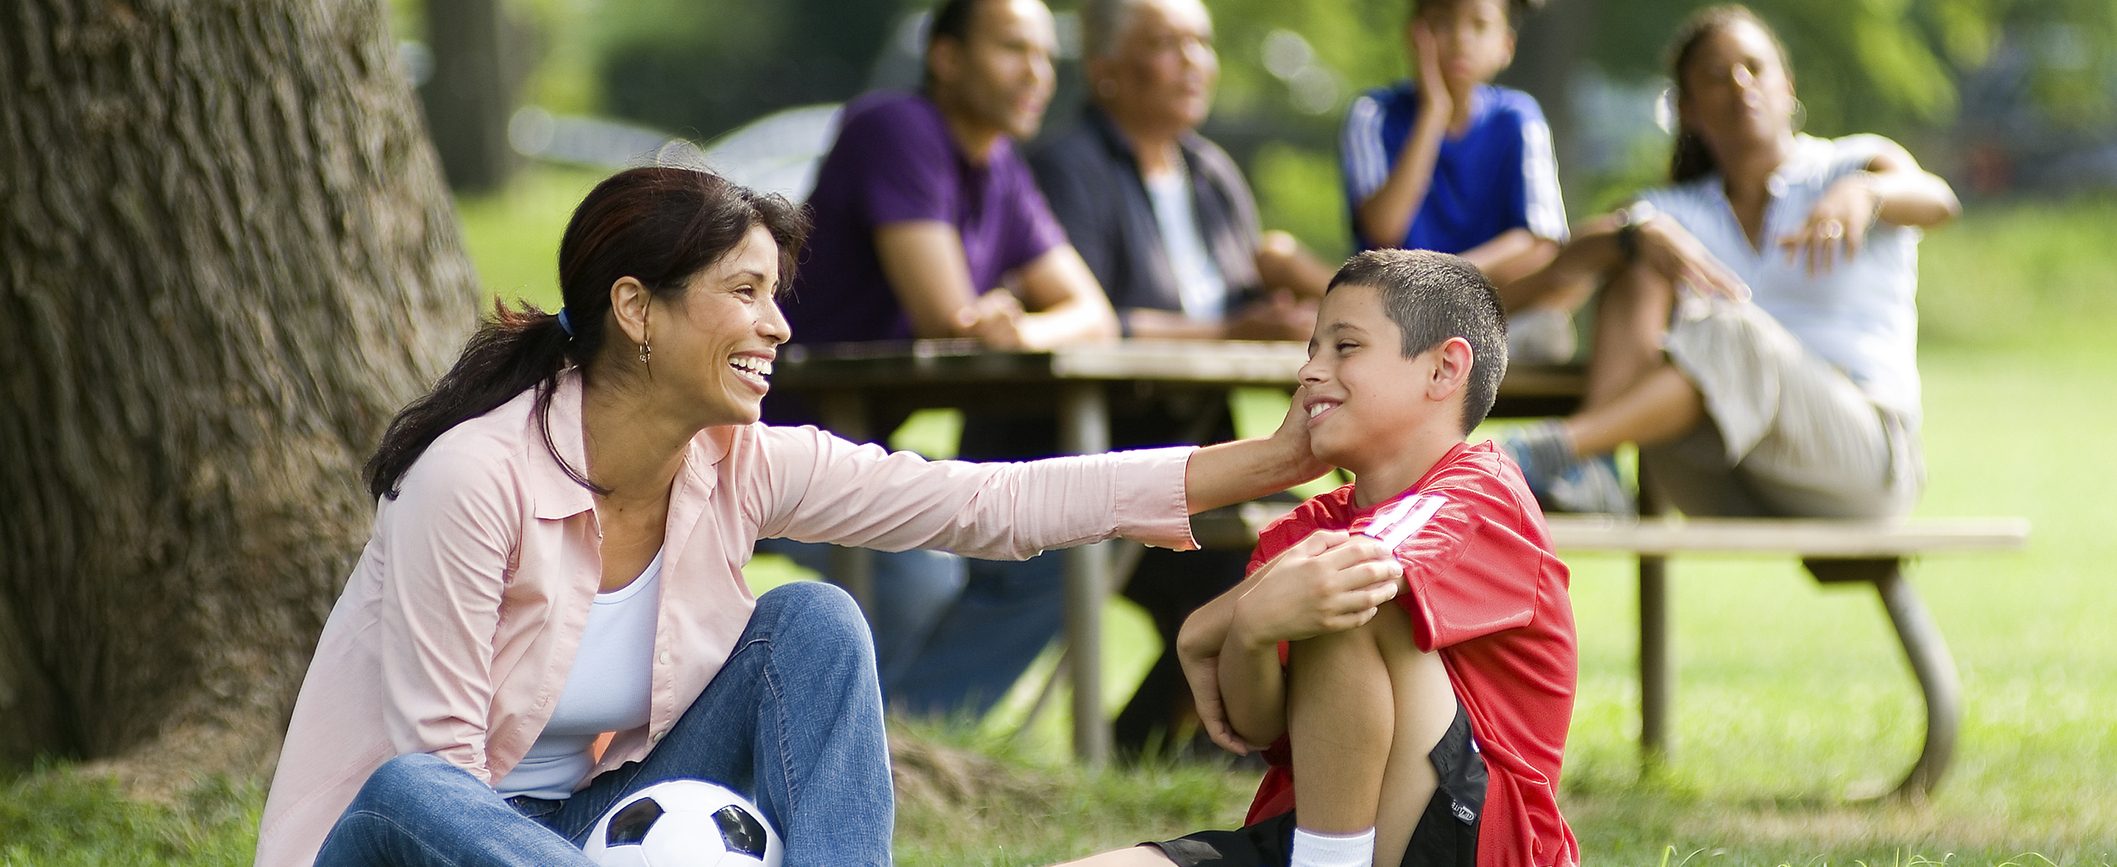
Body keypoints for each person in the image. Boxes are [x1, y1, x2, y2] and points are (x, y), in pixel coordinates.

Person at [254, 166, 1330, 866]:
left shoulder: (740, 463)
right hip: (418, 844)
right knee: (417, 787)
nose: (775, 325)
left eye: (775, 294)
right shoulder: (474, 479)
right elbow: (441, 781)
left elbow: (990, 504)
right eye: (743, 291)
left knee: (813, 624)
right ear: (635, 310)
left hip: (590, 836)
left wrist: (1272, 459)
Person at [1061, 250, 1579, 867]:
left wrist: (1206, 626)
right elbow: (1254, 727)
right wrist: (1248, 634)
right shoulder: (1307, 528)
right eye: (1311, 349)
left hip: (1474, 840)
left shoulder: (1483, 494)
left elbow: (1352, 570)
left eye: (1345, 347)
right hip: (1313, 836)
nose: (1309, 371)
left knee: (1348, 598)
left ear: (1444, 370)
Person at [763, 0, 1121, 721]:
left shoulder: (1000, 168)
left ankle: (901, 732)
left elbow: (1095, 315)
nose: (1037, 74)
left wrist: (1024, 330)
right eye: (1013, 49)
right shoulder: (895, 128)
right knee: (918, 576)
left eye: (1047, 56)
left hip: (856, 442)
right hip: (759, 435)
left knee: (1066, 553)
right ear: (946, 58)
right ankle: (861, 738)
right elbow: (945, 313)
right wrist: (1015, 321)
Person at [1019, 0, 1335, 757]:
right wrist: (1232, 329)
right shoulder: (1067, 167)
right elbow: (1095, 313)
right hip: (1087, 449)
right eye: (1166, 43)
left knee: (1309, 542)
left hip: (1205, 453)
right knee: (1247, 567)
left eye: (1201, 42)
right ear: (1105, 74)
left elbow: (1235, 306)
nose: (1193, 60)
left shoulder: (1212, 173)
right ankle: (1158, 744)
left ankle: (1169, 745)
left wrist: (1279, 317)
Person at [1498, 3, 1960, 519]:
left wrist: (1866, 193)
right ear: (1689, 109)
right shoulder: (1678, 210)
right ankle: (1594, 467)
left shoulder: (1849, 164)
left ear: (1787, 85)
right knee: (1638, 257)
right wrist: (1630, 234)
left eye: (1755, 68)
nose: (1741, 85)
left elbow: (1939, 199)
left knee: (1735, 333)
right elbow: (1551, 277)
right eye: (1718, 77)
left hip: (1861, 466)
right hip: (1727, 476)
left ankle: (1542, 452)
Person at [1340, 0, 1579, 365]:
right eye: (1442, 23)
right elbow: (1384, 228)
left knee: (1581, 266)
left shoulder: (1518, 117)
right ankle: (1471, 345)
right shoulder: (1374, 113)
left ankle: (1436, 340)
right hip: (1391, 295)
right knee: (1277, 256)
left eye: (1480, 26)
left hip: (1482, 292)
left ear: (1506, 46)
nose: (1460, 39)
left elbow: (1539, 242)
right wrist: (1434, 112)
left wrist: (1442, 281)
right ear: (1415, 34)